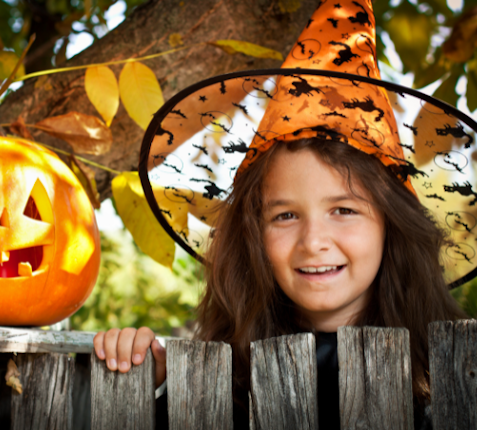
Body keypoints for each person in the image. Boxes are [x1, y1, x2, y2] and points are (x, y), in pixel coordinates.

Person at [94, 0, 476, 428]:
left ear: (393, 224)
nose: (313, 241)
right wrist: (146, 390)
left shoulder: (457, 374)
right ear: (253, 234)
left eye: (344, 209)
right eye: (285, 216)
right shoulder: (218, 376)